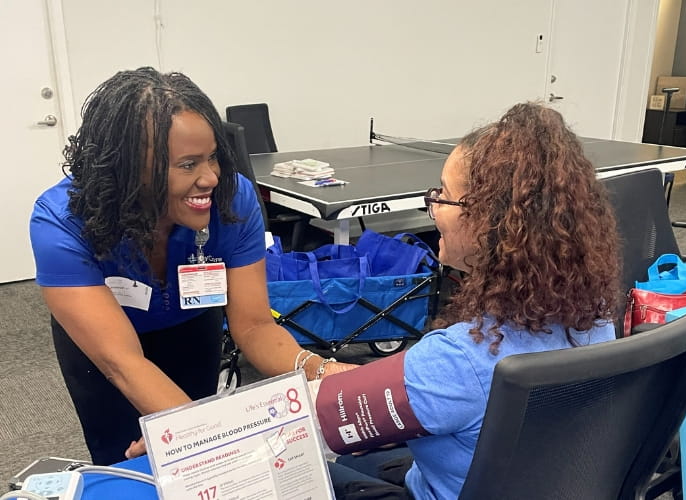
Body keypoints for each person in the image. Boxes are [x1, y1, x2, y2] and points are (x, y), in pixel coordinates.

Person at [29, 67, 353, 466]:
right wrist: (195, 435)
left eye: (213, 157)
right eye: (187, 165)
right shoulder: (60, 221)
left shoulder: (233, 201)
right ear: (130, 168)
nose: (211, 177)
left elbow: (254, 326)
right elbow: (122, 360)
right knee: (128, 462)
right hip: (107, 352)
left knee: (199, 468)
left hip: (190, 327)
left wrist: (323, 371)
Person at [322, 102, 622, 499]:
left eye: (443, 196)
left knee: (315, 471)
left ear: (487, 219)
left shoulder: (459, 359)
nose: (432, 207)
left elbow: (327, 413)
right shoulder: (596, 320)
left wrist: (307, 366)